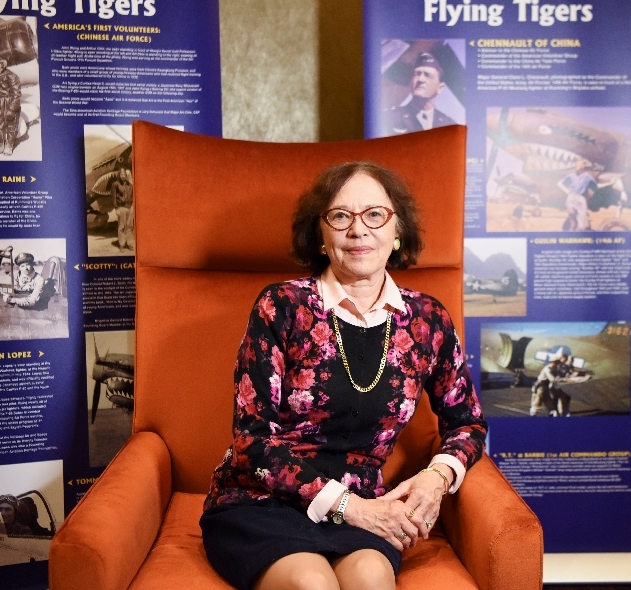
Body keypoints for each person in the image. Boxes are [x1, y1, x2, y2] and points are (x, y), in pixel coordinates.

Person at [200, 162, 487, 590]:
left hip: (367, 507)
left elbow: (468, 422)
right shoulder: (281, 306)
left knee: (371, 579)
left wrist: (436, 477)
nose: (358, 230)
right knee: (311, 583)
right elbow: (251, 442)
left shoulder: (428, 320)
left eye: (375, 215)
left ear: (398, 231)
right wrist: (353, 507)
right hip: (262, 501)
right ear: (321, 235)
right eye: (340, 216)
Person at [384, 52, 456, 135]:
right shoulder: (389, 118)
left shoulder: (449, 125)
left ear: (440, 88)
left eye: (428, 75)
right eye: (417, 74)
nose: (420, 79)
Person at [557, 159, 599, 231]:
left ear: (583, 166)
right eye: (576, 164)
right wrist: (567, 191)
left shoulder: (587, 176)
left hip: (581, 198)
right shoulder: (571, 175)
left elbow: (596, 185)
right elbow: (559, 183)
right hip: (571, 198)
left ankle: (580, 233)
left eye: (579, 164)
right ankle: (572, 233)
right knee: (572, 220)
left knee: (582, 223)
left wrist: (590, 193)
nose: (577, 166)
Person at [111, 167, 134, 251]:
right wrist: (116, 208)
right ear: (119, 175)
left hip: (130, 207)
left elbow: (133, 196)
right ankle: (122, 244)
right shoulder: (115, 184)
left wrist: (132, 206)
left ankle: (130, 244)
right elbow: (113, 197)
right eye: (121, 174)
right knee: (121, 226)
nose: (123, 176)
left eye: (124, 174)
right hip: (121, 207)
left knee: (130, 226)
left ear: (126, 175)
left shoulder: (130, 185)